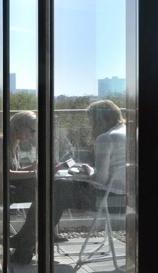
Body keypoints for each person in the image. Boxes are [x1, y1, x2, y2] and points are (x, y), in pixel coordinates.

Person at [9, 101, 126, 264]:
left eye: (91, 121)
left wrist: (85, 173)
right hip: (127, 199)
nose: (90, 125)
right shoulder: (128, 133)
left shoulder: (106, 138)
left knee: (56, 189)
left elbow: (100, 180)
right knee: (57, 190)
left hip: (108, 199)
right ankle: (26, 243)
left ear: (99, 120)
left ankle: (24, 243)